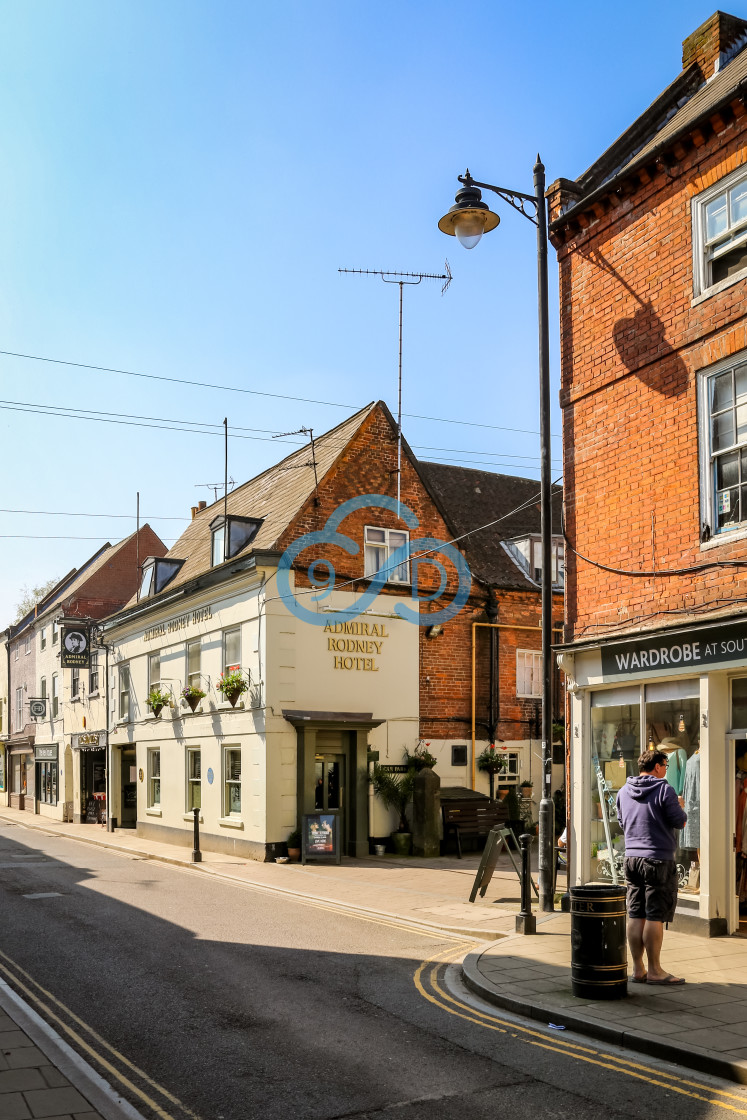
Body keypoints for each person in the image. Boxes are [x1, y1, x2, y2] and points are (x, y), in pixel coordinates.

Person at [616, 749, 687, 985]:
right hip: (658, 859)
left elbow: (621, 821)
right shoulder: (665, 789)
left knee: (636, 914)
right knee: (655, 915)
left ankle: (638, 969)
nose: (666, 769)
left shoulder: (623, 791)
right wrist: (680, 806)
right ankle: (656, 971)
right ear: (656, 767)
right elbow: (680, 821)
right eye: (665, 764)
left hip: (631, 859)